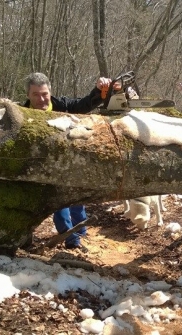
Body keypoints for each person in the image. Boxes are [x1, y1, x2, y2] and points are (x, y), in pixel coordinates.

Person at [23, 72, 117, 249]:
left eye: (44, 94)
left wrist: (99, 90)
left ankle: (81, 232)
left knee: (76, 195)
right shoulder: (23, 114)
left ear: (50, 92)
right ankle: (71, 239)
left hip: (68, 164)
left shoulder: (62, 106)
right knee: (59, 202)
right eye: (36, 95)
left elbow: (84, 104)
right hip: (42, 169)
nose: (42, 99)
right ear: (28, 95)